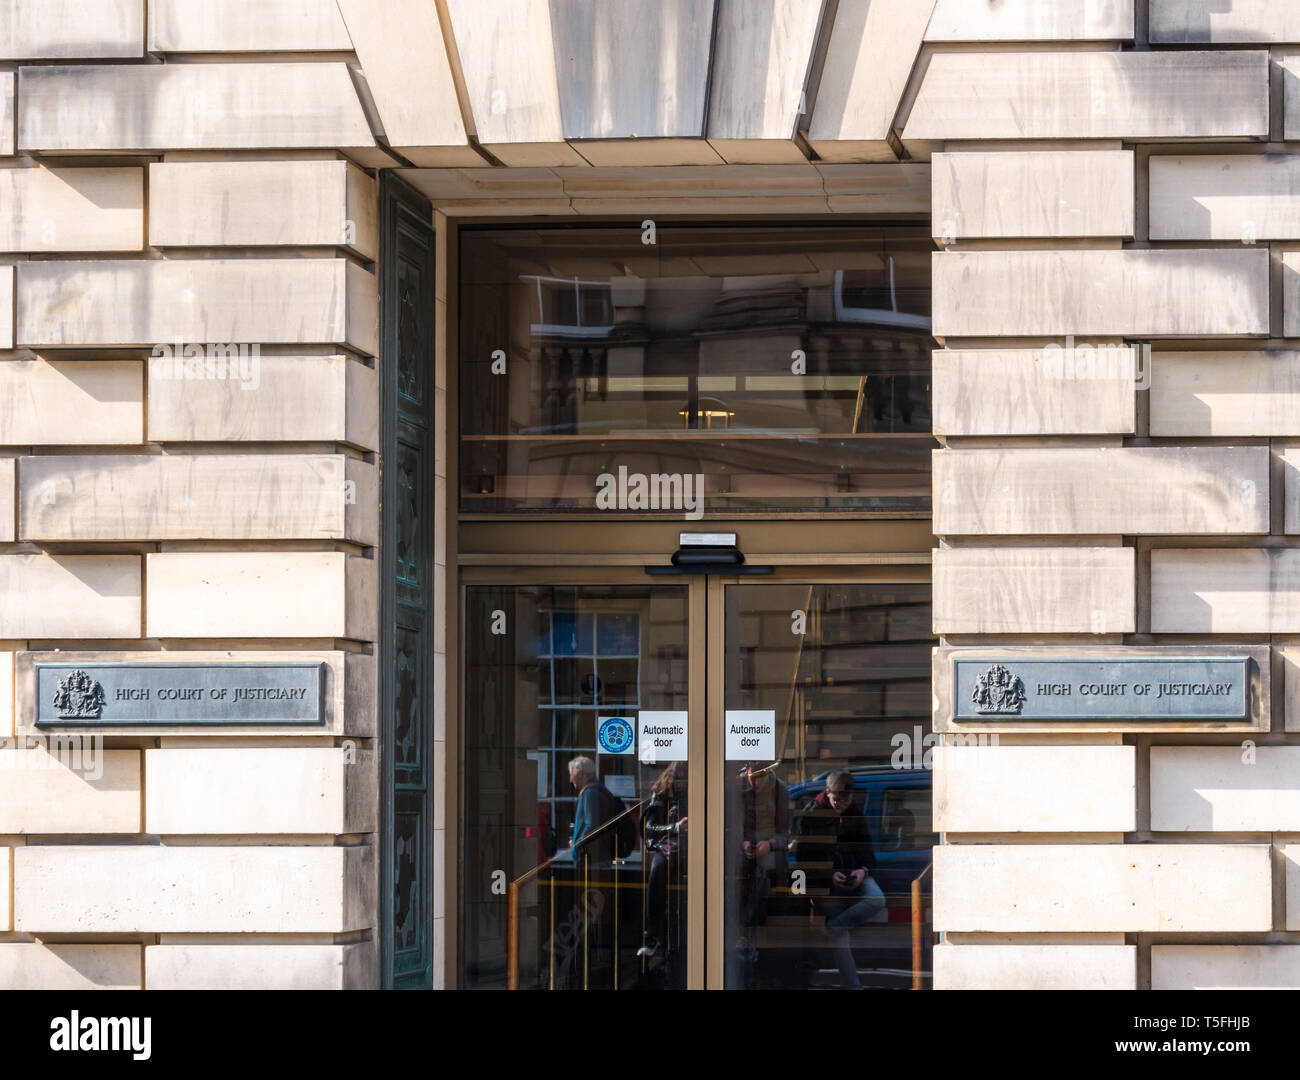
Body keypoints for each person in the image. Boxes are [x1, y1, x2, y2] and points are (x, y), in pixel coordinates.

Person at [800, 770, 886, 990]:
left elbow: (868, 852)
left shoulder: (855, 813)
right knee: (842, 934)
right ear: (827, 793)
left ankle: (833, 928)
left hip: (854, 873)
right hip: (825, 882)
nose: (842, 804)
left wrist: (862, 871)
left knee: (876, 900)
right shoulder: (813, 814)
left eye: (846, 800)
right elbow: (805, 858)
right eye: (837, 800)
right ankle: (853, 985)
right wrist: (829, 874)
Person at [735, 761, 790, 972]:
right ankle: (738, 934)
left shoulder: (780, 790)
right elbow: (728, 824)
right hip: (745, 846)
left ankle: (747, 928)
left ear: (768, 773)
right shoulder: (738, 787)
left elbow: (785, 833)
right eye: (751, 777)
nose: (754, 783)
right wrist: (742, 843)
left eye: (759, 777)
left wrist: (770, 844)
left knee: (765, 871)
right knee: (737, 869)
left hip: (770, 848)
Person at [637, 761, 687, 962]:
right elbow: (650, 828)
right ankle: (654, 934)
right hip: (672, 844)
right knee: (657, 868)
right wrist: (674, 828)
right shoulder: (663, 791)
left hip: (700, 843)